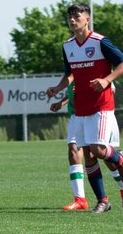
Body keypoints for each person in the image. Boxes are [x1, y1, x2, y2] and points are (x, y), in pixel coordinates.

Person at [46, 3, 123, 212]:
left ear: (87, 19)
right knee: (87, 154)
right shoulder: (68, 46)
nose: (72, 20)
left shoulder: (100, 42)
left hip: (101, 105)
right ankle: (103, 201)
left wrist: (107, 80)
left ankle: (121, 159)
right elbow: (69, 74)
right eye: (70, 16)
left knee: (98, 150)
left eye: (77, 16)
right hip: (80, 108)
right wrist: (58, 88)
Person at [49, 81, 116, 212]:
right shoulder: (72, 68)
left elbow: (110, 89)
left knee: (102, 155)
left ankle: (121, 187)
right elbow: (72, 93)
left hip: (96, 114)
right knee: (74, 151)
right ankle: (80, 200)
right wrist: (61, 102)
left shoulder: (94, 66)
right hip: (76, 115)